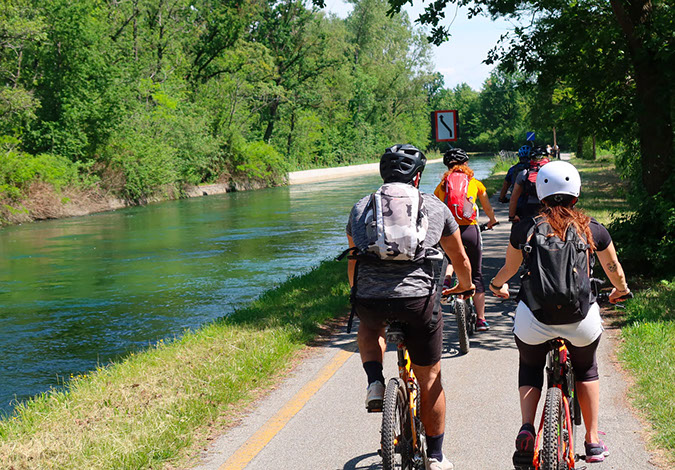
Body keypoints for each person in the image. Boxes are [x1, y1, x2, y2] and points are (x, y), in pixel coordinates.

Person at [488, 161, 631, 464]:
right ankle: (592, 441)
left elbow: (510, 269)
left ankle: (527, 428)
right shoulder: (592, 228)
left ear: (540, 193)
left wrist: (496, 286)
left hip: (535, 319)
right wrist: (620, 290)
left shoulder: (525, 228)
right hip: (580, 320)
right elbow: (613, 269)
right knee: (587, 368)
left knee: (530, 367)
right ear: (576, 194)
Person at [346, 144, 474, 470]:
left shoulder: (361, 207)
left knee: (370, 325)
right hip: (418, 302)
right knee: (430, 379)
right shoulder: (434, 206)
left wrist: (357, 295)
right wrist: (465, 286)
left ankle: (375, 382)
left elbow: (353, 260)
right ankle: (436, 456)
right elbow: (459, 258)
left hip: (372, 300)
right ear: (417, 177)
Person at [434, 147, 498, 332]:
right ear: (466, 164)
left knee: (451, 258)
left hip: (449, 231)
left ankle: (447, 282)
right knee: (476, 274)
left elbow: (436, 209)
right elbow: (487, 207)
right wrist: (492, 220)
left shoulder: (443, 185)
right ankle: (481, 320)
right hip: (470, 230)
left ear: (447, 166)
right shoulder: (475, 183)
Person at [508, 146, 550, 223]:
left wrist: (512, 216)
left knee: (520, 228)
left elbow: (514, 198)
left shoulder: (524, 173)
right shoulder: (553, 173)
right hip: (548, 208)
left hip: (529, 208)